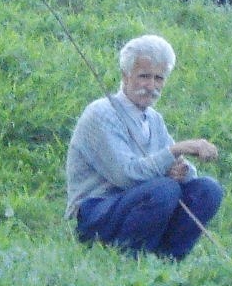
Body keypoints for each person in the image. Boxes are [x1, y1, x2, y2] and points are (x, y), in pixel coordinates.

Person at [65, 34, 223, 260]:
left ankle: (166, 261)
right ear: (125, 75)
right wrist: (176, 151)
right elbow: (125, 175)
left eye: (159, 78)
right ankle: (129, 257)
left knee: (208, 189)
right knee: (163, 190)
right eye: (144, 76)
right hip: (98, 211)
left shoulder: (154, 119)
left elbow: (179, 170)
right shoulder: (101, 113)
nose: (151, 86)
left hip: (138, 205)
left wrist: (181, 171)